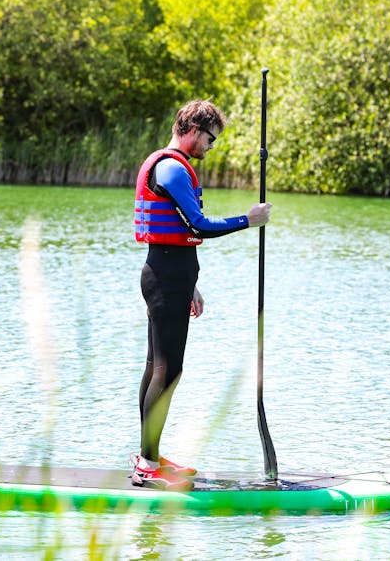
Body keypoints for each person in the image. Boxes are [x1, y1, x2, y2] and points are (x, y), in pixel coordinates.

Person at [130, 100, 272, 491]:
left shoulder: (170, 166)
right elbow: (199, 225)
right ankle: (146, 465)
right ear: (193, 130)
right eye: (210, 139)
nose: (211, 146)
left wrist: (188, 283)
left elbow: (176, 234)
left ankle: (150, 457)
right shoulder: (173, 167)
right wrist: (249, 219)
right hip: (165, 277)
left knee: (157, 367)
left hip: (169, 275)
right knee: (167, 370)